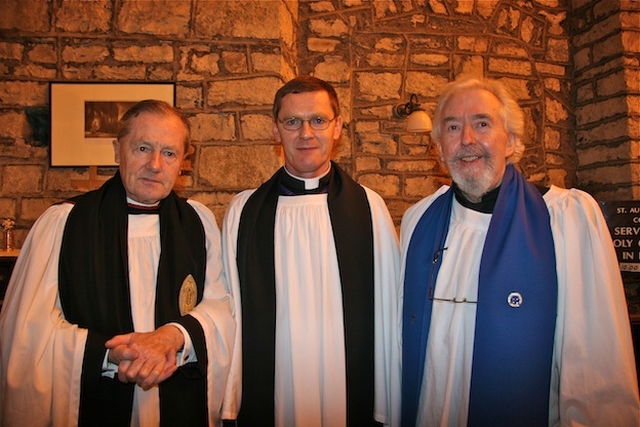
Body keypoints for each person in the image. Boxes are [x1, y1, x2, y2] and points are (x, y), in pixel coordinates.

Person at [399, 76, 640, 426]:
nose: (466, 139)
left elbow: (596, 369)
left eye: (482, 123)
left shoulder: (565, 218)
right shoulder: (418, 220)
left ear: (511, 141)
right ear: (438, 148)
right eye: (452, 127)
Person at [0, 100, 238, 426]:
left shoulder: (199, 223)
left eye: (169, 153)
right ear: (117, 150)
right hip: (96, 399)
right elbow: (28, 333)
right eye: (143, 148)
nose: (155, 164)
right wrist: (107, 354)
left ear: (184, 161)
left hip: (179, 400)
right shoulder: (63, 223)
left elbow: (222, 307)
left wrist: (174, 335)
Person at [221, 75, 401, 426]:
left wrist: (387, 402)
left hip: (348, 389)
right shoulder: (244, 212)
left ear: (338, 128)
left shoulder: (369, 208)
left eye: (318, 120)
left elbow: (389, 313)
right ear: (276, 131)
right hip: (272, 388)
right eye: (292, 122)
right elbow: (231, 315)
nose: (306, 133)